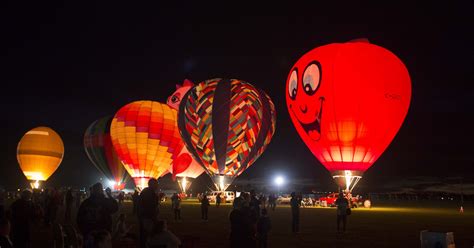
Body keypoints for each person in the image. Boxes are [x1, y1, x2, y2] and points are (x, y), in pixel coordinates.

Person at [138, 178, 160, 248]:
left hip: (145, 217)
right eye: (156, 184)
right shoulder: (149, 193)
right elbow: (150, 206)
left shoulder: (146, 191)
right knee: (148, 235)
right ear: (152, 184)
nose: (157, 186)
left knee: (145, 235)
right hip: (148, 217)